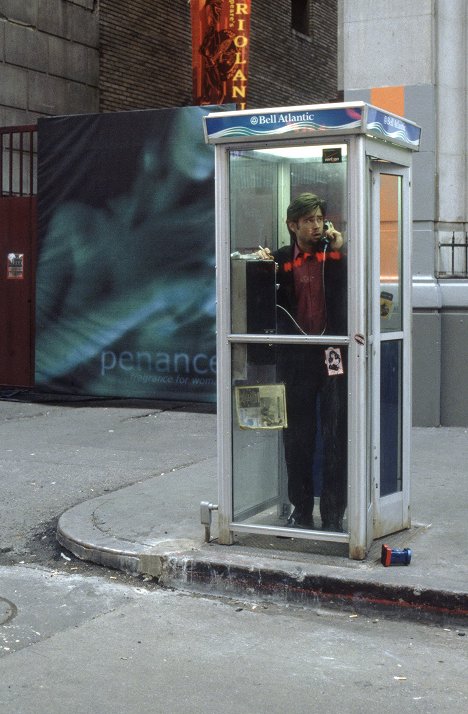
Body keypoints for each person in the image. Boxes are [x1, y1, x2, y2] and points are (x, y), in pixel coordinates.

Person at [259, 192, 347, 531]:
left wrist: (338, 252)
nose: (316, 225)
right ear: (292, 224)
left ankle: (334, 513)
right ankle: (301, 508)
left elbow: (348, 294)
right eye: (308, 220)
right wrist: (263, 269)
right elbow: (267, 305)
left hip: (332, 352)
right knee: (297, 436)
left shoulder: (333, 255)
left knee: (336, 433)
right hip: (296, 355)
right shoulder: (280, 260)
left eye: (319, 218)